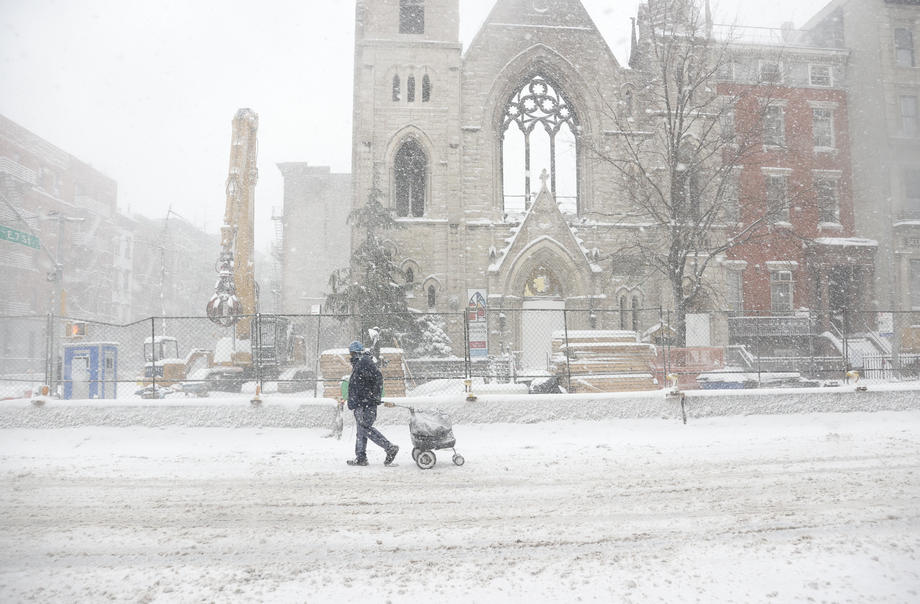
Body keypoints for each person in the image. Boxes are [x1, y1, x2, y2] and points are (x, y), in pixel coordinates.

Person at [345, 340, 398, 466]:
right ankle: (361, 457)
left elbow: (378, 377)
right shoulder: (361, 362)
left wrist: (373, 396)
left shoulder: (363, 362)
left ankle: (389, 447)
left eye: (351, 353)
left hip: (365, 404)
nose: (350, 356)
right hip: (362, 403)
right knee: (361, 430)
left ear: (356, 352)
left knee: (365, 429)